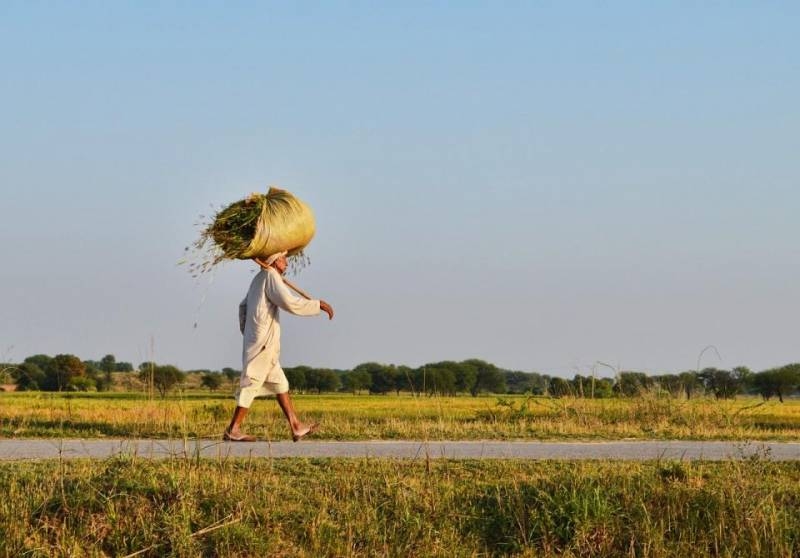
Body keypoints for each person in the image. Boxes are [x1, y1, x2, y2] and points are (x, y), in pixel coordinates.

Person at [224, 251, 334, 442]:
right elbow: (290, 303)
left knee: (280, 383)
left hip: (262, 340)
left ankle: (296, 425)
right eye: (283, 259)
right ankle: (233, 429)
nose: (287, 263)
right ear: (274, 262)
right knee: (252, 382)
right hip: (263, 342)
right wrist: (317, 305)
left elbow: (243, 307)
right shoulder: (270, 277)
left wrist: (248, 331)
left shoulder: (259, 278)